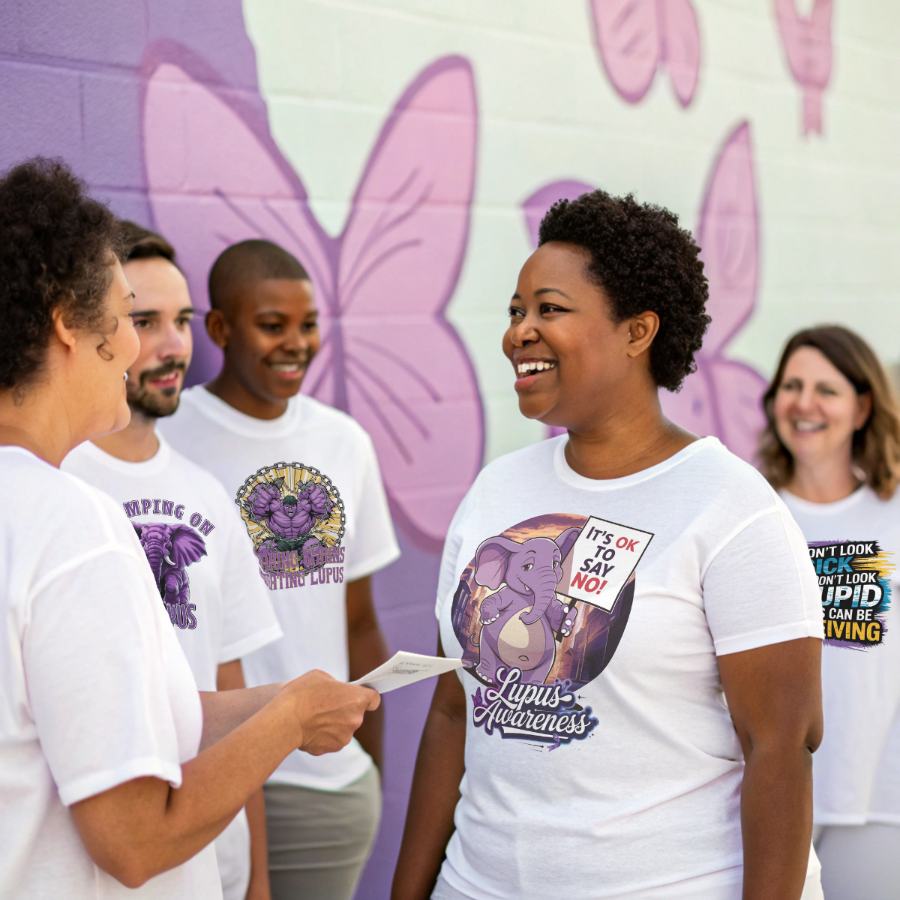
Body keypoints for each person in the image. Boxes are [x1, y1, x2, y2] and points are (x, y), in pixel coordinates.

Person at [392, 190, 825, 900]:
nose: (519, 333)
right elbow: (451, 712)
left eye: (549, 310)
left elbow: (781, 750)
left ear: (637, 331)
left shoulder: (731, 509)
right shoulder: (496, 492)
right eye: (515, 312)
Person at [0, 157, 379, 899]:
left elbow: (114, 715)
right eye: (125, 318)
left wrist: (278, 701)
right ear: (67, 328)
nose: (143, 349)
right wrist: (291, 719)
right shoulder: (72, 524)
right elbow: (137, 842)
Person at [159, 239, 399, 900]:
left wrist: (368, 763)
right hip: (211, 769)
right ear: (220, 329)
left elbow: (358, 619)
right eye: (272, 325)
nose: (297, 344)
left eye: (309, 324)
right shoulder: (168, 438)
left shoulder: (343, 441)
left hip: (324, 782)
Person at [62, 222, 283, 900]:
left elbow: (230, 701)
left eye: (181, 320)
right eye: (143, 320)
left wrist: (256, 878)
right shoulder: (57, 487)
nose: (171, 345)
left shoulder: (207, 494)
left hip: (213, 860)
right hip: (103, 861)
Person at [759, 325, 900, 900]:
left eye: (827, 388)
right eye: (792, 385)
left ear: (863, 405)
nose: (805, 403)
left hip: (881, 796)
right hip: (768, 792)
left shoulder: (892, 514)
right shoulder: (750, 513)